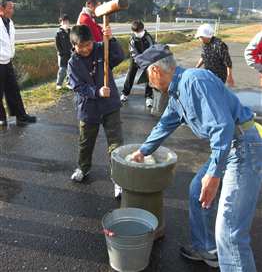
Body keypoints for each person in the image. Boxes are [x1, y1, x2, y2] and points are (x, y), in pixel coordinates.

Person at [131, 44, 261, 271]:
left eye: (147, 79)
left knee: (230, 232)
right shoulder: (178, 92)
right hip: (230, 146)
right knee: (196, 191)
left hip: (243, 147)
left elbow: (223, 126)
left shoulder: (194, 81)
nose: (149, 84)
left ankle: (226, 256)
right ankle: (205, 249)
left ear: (155, 71)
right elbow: (164, 125)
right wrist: (142, 151)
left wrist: (214, 174)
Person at [67, 25, 124, 198]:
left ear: (93, 41)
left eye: (88, 44)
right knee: (86, 142)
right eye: (80, 46)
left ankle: (118, 179)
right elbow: (77, 86)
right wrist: (96, 91)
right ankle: (83, 168)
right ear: (74, 46)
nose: (85, 49)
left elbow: (119, 57)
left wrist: (111, 40)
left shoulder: (102, 49)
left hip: (110, 105)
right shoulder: (73, 63)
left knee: (115, 143)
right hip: (88, 108)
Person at [0, 0, 37, 128]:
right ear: (1, 9)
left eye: (12, 7)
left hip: (7, 60)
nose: (12, 10)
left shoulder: (9, 22)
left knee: (13, 90)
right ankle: (1, 119)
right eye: (9, 7)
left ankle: (21, 116)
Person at [120, 20, 154, 108]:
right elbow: (133, 52)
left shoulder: (148, 37)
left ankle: (149, 96)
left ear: (143, 29)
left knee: (149, 76)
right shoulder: (132, 39)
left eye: (139, 31)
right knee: (130, 74)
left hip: (147, 59)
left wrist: (146, 60)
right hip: (136, 59)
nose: (138, 33)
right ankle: (125, 93)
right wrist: (138, 60)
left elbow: (151, 49)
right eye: (135, 32)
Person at [55, 14, 72, 90]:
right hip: (62, 55)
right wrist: (61, 52)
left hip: (70, 53)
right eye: (64, 21)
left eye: (67, 21)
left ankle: (69, 83)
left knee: (70, 69)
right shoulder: (58, 33)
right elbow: (57, 44)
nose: (66, 23)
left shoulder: (70, 31)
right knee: (62, 69)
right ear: (61, 22)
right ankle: (59, 84)